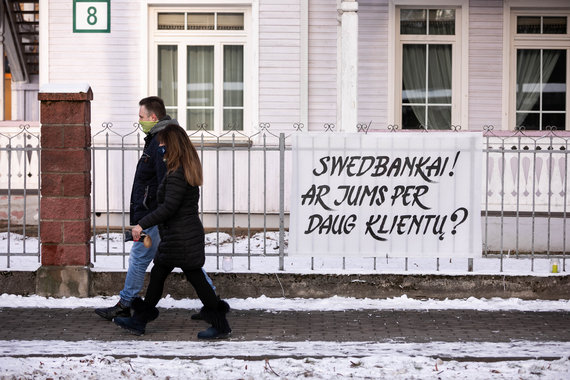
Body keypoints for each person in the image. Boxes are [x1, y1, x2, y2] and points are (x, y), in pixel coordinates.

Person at [94, 96, 215, 321]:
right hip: (159, 215)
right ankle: (213, 304)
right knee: (186, 265)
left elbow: (166, 183)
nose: (139, 121)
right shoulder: (159, 137)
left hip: (156, 215)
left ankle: (128, 306)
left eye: (141, 117)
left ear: (153, 117)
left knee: (142, 259)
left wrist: (150, 219)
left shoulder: (163, 140)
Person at [113, 123, 231, 340]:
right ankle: (139, 321)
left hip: (182, 237)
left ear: (173, 146)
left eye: (163, 146)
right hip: (179, 236)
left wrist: (141, 224)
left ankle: (220, 324)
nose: (161, 150)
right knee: (160, 274)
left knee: (194, 278)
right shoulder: (182, 168)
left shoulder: (177, 173)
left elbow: (168, 208)